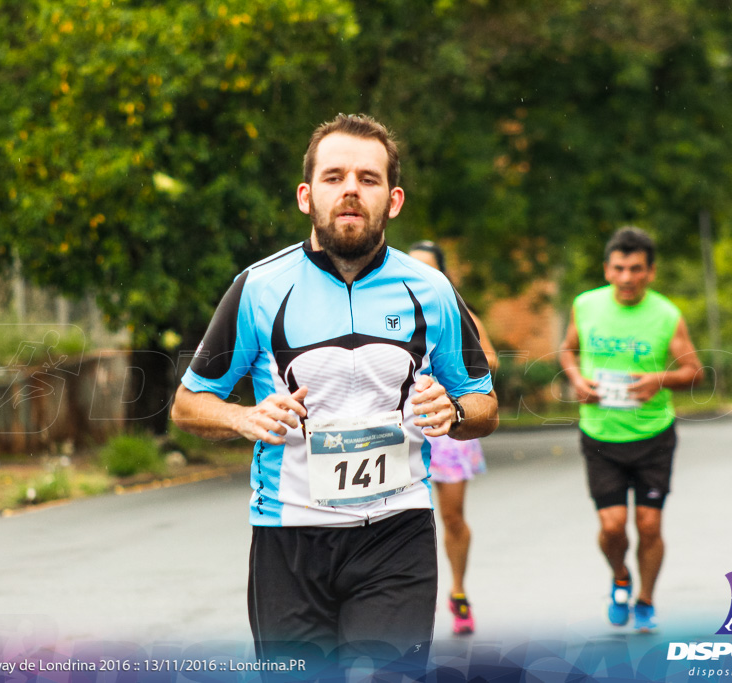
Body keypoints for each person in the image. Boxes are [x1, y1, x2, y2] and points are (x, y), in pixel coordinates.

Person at [170, 114, 498, 672]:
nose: (350, 189)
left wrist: (457, 409)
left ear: (393, 201)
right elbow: (187, 404)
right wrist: (244, 418)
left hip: (397, 532)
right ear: (306, 196)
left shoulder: (432, 290)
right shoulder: (259, 289)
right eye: (334, 176)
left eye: (368, 179)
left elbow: (485, 404)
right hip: (288, 537)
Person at [559, 226, 702, 633]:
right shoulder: (585, 305)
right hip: (601, 434)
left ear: (650, 272)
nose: (626, 277)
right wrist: (576, 379)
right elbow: (568, 349)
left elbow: (694, 371)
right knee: (611, 526)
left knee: (650, 525)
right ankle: (620, 574)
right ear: (606, 269)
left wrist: (659, 378)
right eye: (619, 268)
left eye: (636, 269)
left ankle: (646, 599)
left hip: (653, 435)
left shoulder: (666, 314)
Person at [407, 240, 497, 636]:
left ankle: (458, 590)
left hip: (451, 423)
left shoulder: (453, 309)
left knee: (452, 516)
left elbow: (489, 359)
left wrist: (453, 363)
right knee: (406, 515)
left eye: (428, 267)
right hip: (406, 424)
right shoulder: (387, 309)